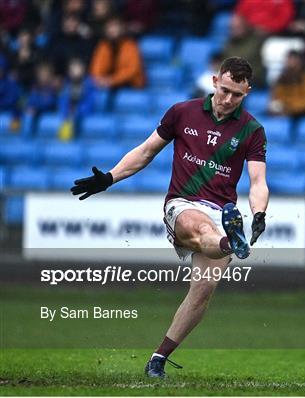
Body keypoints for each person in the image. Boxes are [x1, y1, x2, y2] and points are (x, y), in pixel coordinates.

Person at [70, 57, 269, 378]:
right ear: (216, 81)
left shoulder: (252, 130)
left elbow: (258, 181)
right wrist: (109, 177)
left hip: (223, 212)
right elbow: (147, 151)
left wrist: (259, 213)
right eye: (226, 90)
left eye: (238, 95)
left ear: (248, 92)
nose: (229, 99)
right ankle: (230, 240)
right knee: (201, 228)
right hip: (182, 204)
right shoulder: (182, 112)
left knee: (202, 291)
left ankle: (158, 359)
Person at [89, 16, 145, 89]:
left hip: (130, 84)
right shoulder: (103, 45)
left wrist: (112, 80)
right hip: (108, 83)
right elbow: (96, 66)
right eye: (109, 28)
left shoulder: (130, 46)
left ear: (121, 29)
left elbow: (132, 70)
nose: (112, 30)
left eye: (115, 27)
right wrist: (98, 79)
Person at [268, 50, 305, 117]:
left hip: (304, 115)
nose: (291, 63)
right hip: (283, 114)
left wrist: (289, 108)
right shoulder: (281, 79)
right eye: (289, 60)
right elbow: (275, 98)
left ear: (300, 62)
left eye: (294, 60)